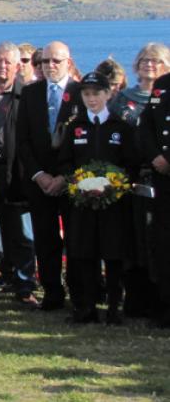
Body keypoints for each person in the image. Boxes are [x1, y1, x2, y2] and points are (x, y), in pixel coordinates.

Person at [56, 71, 138, 324]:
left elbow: (131, 164)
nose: (91, 99)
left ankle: (114, 308)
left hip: (113, 204)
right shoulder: (76, 127)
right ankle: (87, 308)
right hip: (83, 203)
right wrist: (79, 182)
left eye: (96, 94)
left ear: (108, 94)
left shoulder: (120, 127)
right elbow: (65, 162)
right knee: (85, 255)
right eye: (86, 94)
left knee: (113, 256)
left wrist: (113, 186)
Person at [16, 41, 85, 311]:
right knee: (45, 241)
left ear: (68, 62)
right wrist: (40, 175)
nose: (50, 66)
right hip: (40, 183)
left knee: (76, 239)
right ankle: (52, 294)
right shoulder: (31, 93)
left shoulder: (81, 93)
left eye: (56, 61)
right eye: (44, 62)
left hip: (73, 181)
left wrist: (64, 177)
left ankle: (80, 294)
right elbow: (22, 141)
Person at [107, 44, 169, 317]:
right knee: (136, 241)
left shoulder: (163, 91)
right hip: (131, 174)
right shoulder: (123, 98)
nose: (149, 65)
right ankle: (137, 300)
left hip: (161, 174)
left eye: (156, 61)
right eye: (145, 60)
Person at [0, 42, 37, 305]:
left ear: (17, 66)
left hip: (18, 175)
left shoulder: (29, 95)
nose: (3, 66)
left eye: (8, 62)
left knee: (22, 236)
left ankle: (24, 287)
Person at [140, 68, 170, 327]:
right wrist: (155, 156)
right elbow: (147, 125)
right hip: (163, 180)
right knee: (163, 244)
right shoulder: (162, 85)